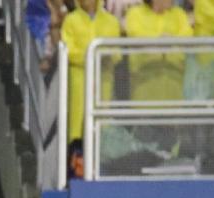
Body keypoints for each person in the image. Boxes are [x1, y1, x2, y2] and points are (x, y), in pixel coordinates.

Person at [64, 0, 124, 142]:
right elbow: (69, 52)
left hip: (104, 81)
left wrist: (108, 56)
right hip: (79, 81)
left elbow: (118, 53)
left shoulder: (111, 21)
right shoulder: (70, 20)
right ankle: (75, 159)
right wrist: (91, 56)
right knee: (77, 124)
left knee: (101, 122)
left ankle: (102, 159)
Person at [125, 0, 196, 102]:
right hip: (143, 94)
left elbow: (187, 39)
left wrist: (162, 44)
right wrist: (166, 43)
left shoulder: (179, 14)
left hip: (175, 94)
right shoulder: (135, 14)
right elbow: (138, 39)